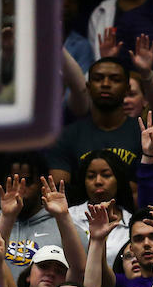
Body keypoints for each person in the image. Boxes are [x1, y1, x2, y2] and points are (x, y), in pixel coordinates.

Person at [49, 59, 144, 190]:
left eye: (115, 80)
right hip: (78, 210)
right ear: (88, 87)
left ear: (127, 89)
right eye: (98, 79)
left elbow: (147, 194)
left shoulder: (144, 135)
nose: (105, 84)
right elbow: (59, 192)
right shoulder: (67, 136)